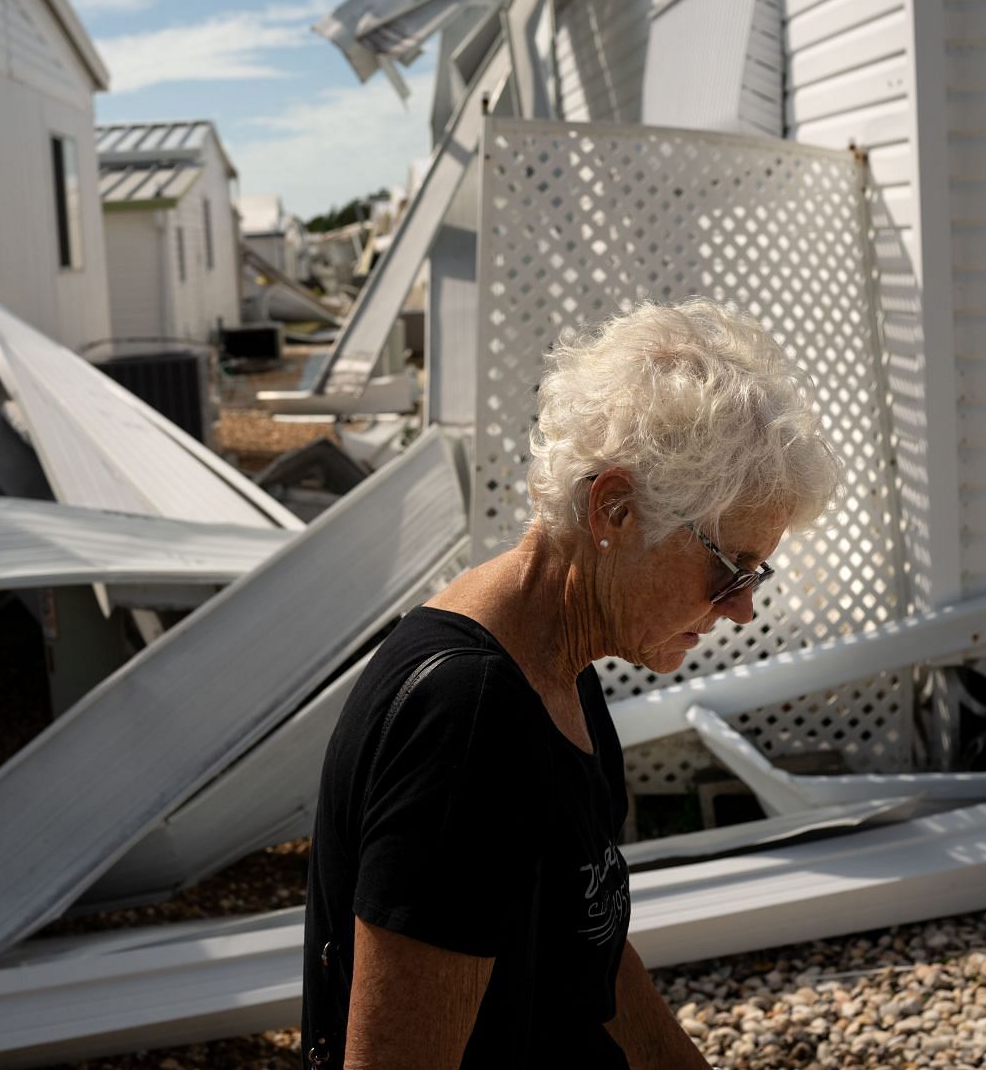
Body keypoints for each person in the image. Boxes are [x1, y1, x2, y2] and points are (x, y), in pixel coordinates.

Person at [301, 298, 842, 1068]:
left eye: (758, 572)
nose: (744, 607)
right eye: (730, 566)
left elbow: (587, 953)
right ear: (613, 508)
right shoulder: (469, 721)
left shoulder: (557, 669)